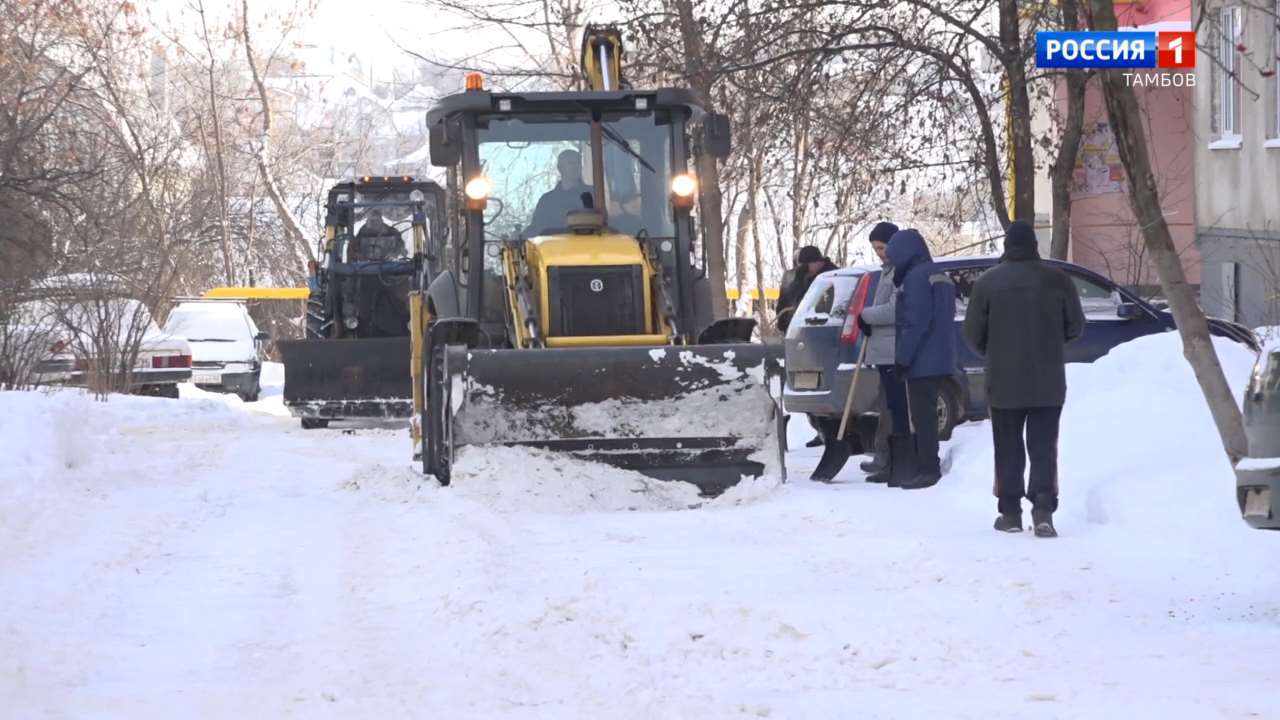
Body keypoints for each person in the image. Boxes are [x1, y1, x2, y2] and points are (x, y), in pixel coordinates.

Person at [962, 220, 1085, 537]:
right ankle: (1043, 512)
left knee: (1007, 447)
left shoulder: (988, 283)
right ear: (1034, 245)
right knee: (1044, 447)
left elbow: (973, 334)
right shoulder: (1058, 280)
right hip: (1048, 380)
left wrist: (995, 353)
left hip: (1003, 381)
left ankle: (1011, 514)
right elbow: (1075, 327)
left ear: (1007, 246)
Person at [884, 228, 956, 490]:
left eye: (893, 257)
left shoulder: (915, 278)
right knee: (927, 414)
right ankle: (925, 463)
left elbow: (915, 323)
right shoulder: (939, 275)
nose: (890, 263)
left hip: (922, 359)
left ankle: (927, 469)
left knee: (923, 416)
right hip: (941, 356)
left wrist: (902, 359)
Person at [854, 222, 907, 485]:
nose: (878, 252)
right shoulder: (886, 271)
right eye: (875, 248)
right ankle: (883, 456)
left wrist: (865, 315)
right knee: (885, 405)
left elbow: (894, 309)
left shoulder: (899, 271)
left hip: (892, 349)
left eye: (882, 247)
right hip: (883, 349)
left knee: (893, 408)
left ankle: (889, 459)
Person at [528, 149, 593, 236]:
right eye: (570, 163)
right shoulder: (547, 201)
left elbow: (605, 224)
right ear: (560, 168)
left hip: (590, 246)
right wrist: (516, 238)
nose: (575, 167)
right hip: (553, 248)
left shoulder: (594, 195)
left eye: (578, 163)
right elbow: (536, 229)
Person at [774, 245, 837, 334]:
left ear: (816, 262)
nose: (806, 269)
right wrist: (798, 280)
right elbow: (789, 298)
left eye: (806, 266)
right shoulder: (805, 275)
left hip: (823, 326)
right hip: (801, 326)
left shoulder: (832, 275)